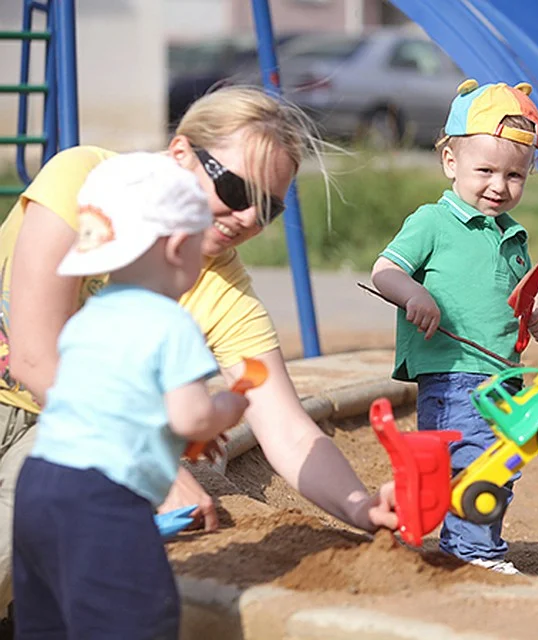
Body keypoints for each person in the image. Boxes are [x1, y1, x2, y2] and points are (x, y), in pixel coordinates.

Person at [0, 86, 397, 612]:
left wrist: (361, 508)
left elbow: (285, 426)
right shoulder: (90, 183)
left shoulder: (221, 285)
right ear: (182, 153)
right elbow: (33, 356)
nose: (247, 219)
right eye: (235, 189)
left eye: (268, 208)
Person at [12, 153, 248, 639]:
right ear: (179, 246)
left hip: (40, 486)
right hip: (103, 501)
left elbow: (103, 399)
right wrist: (229, 407)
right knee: (133, 619)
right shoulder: (170, 322)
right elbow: (191, 416)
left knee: (49, 623)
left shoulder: (89, 316)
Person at [370, 79, 538, 575]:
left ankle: (465, 541)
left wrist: (537, 316)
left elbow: (519, 298)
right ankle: (472, 550)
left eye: (515, 175)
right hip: (453, 372)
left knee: (502, 463)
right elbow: (384, 271)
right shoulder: (432, 221)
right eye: (486, 170)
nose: (499, 186)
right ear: (451, 162)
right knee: (477, 460)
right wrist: (415, 294)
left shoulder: (514, 235)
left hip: (504, 374)